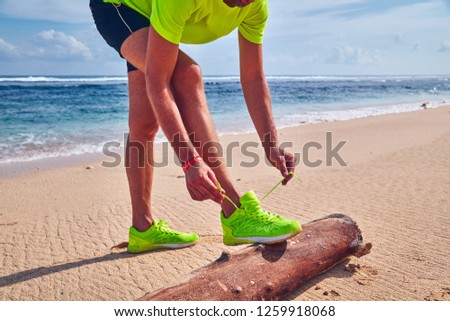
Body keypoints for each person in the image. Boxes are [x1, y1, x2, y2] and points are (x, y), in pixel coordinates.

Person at [89, 0, 301, 253]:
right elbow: (159, 82)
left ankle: (143, 229)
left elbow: (254, 77)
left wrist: (272, 145)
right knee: (187, 75)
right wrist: (190, 161)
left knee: (144, 124)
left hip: (153, 12)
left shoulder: (255, 6)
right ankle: (235, 211)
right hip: (120, 6)